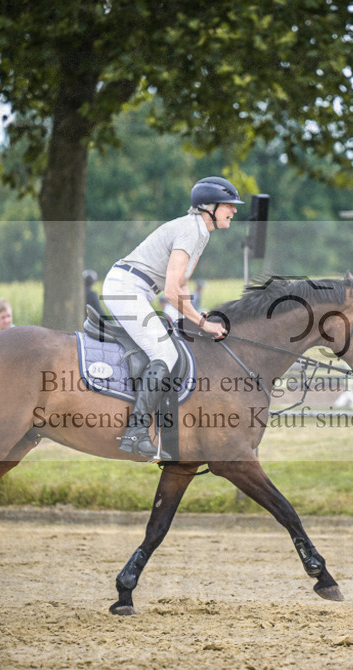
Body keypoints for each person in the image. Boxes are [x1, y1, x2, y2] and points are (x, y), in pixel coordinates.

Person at [101, 176, 236, 460]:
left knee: (170, 344)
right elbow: (173, 290)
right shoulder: (192, 231)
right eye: (228, 206)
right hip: (125, 288)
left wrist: (191, 317)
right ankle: (136, 433)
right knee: (165, 352)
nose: (234, 211)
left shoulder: (201, 232)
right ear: (209, 207)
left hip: (136, 289)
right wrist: (203, 323)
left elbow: (182, 284)